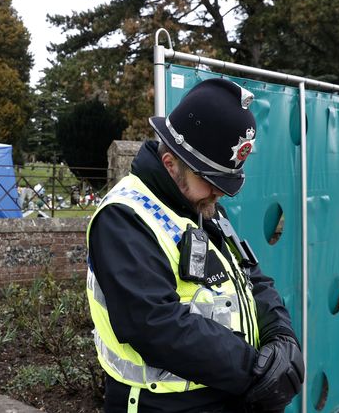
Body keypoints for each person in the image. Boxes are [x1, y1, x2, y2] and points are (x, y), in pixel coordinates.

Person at [86, 78, 304, 412]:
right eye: (211, 181)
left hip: (225, 393)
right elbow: (154, 324)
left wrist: (280, 335)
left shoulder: (201, 205)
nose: (220, 194)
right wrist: (257, 371)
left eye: (227, 182)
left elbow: (251, 277)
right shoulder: (123, 217)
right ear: (170, 163)